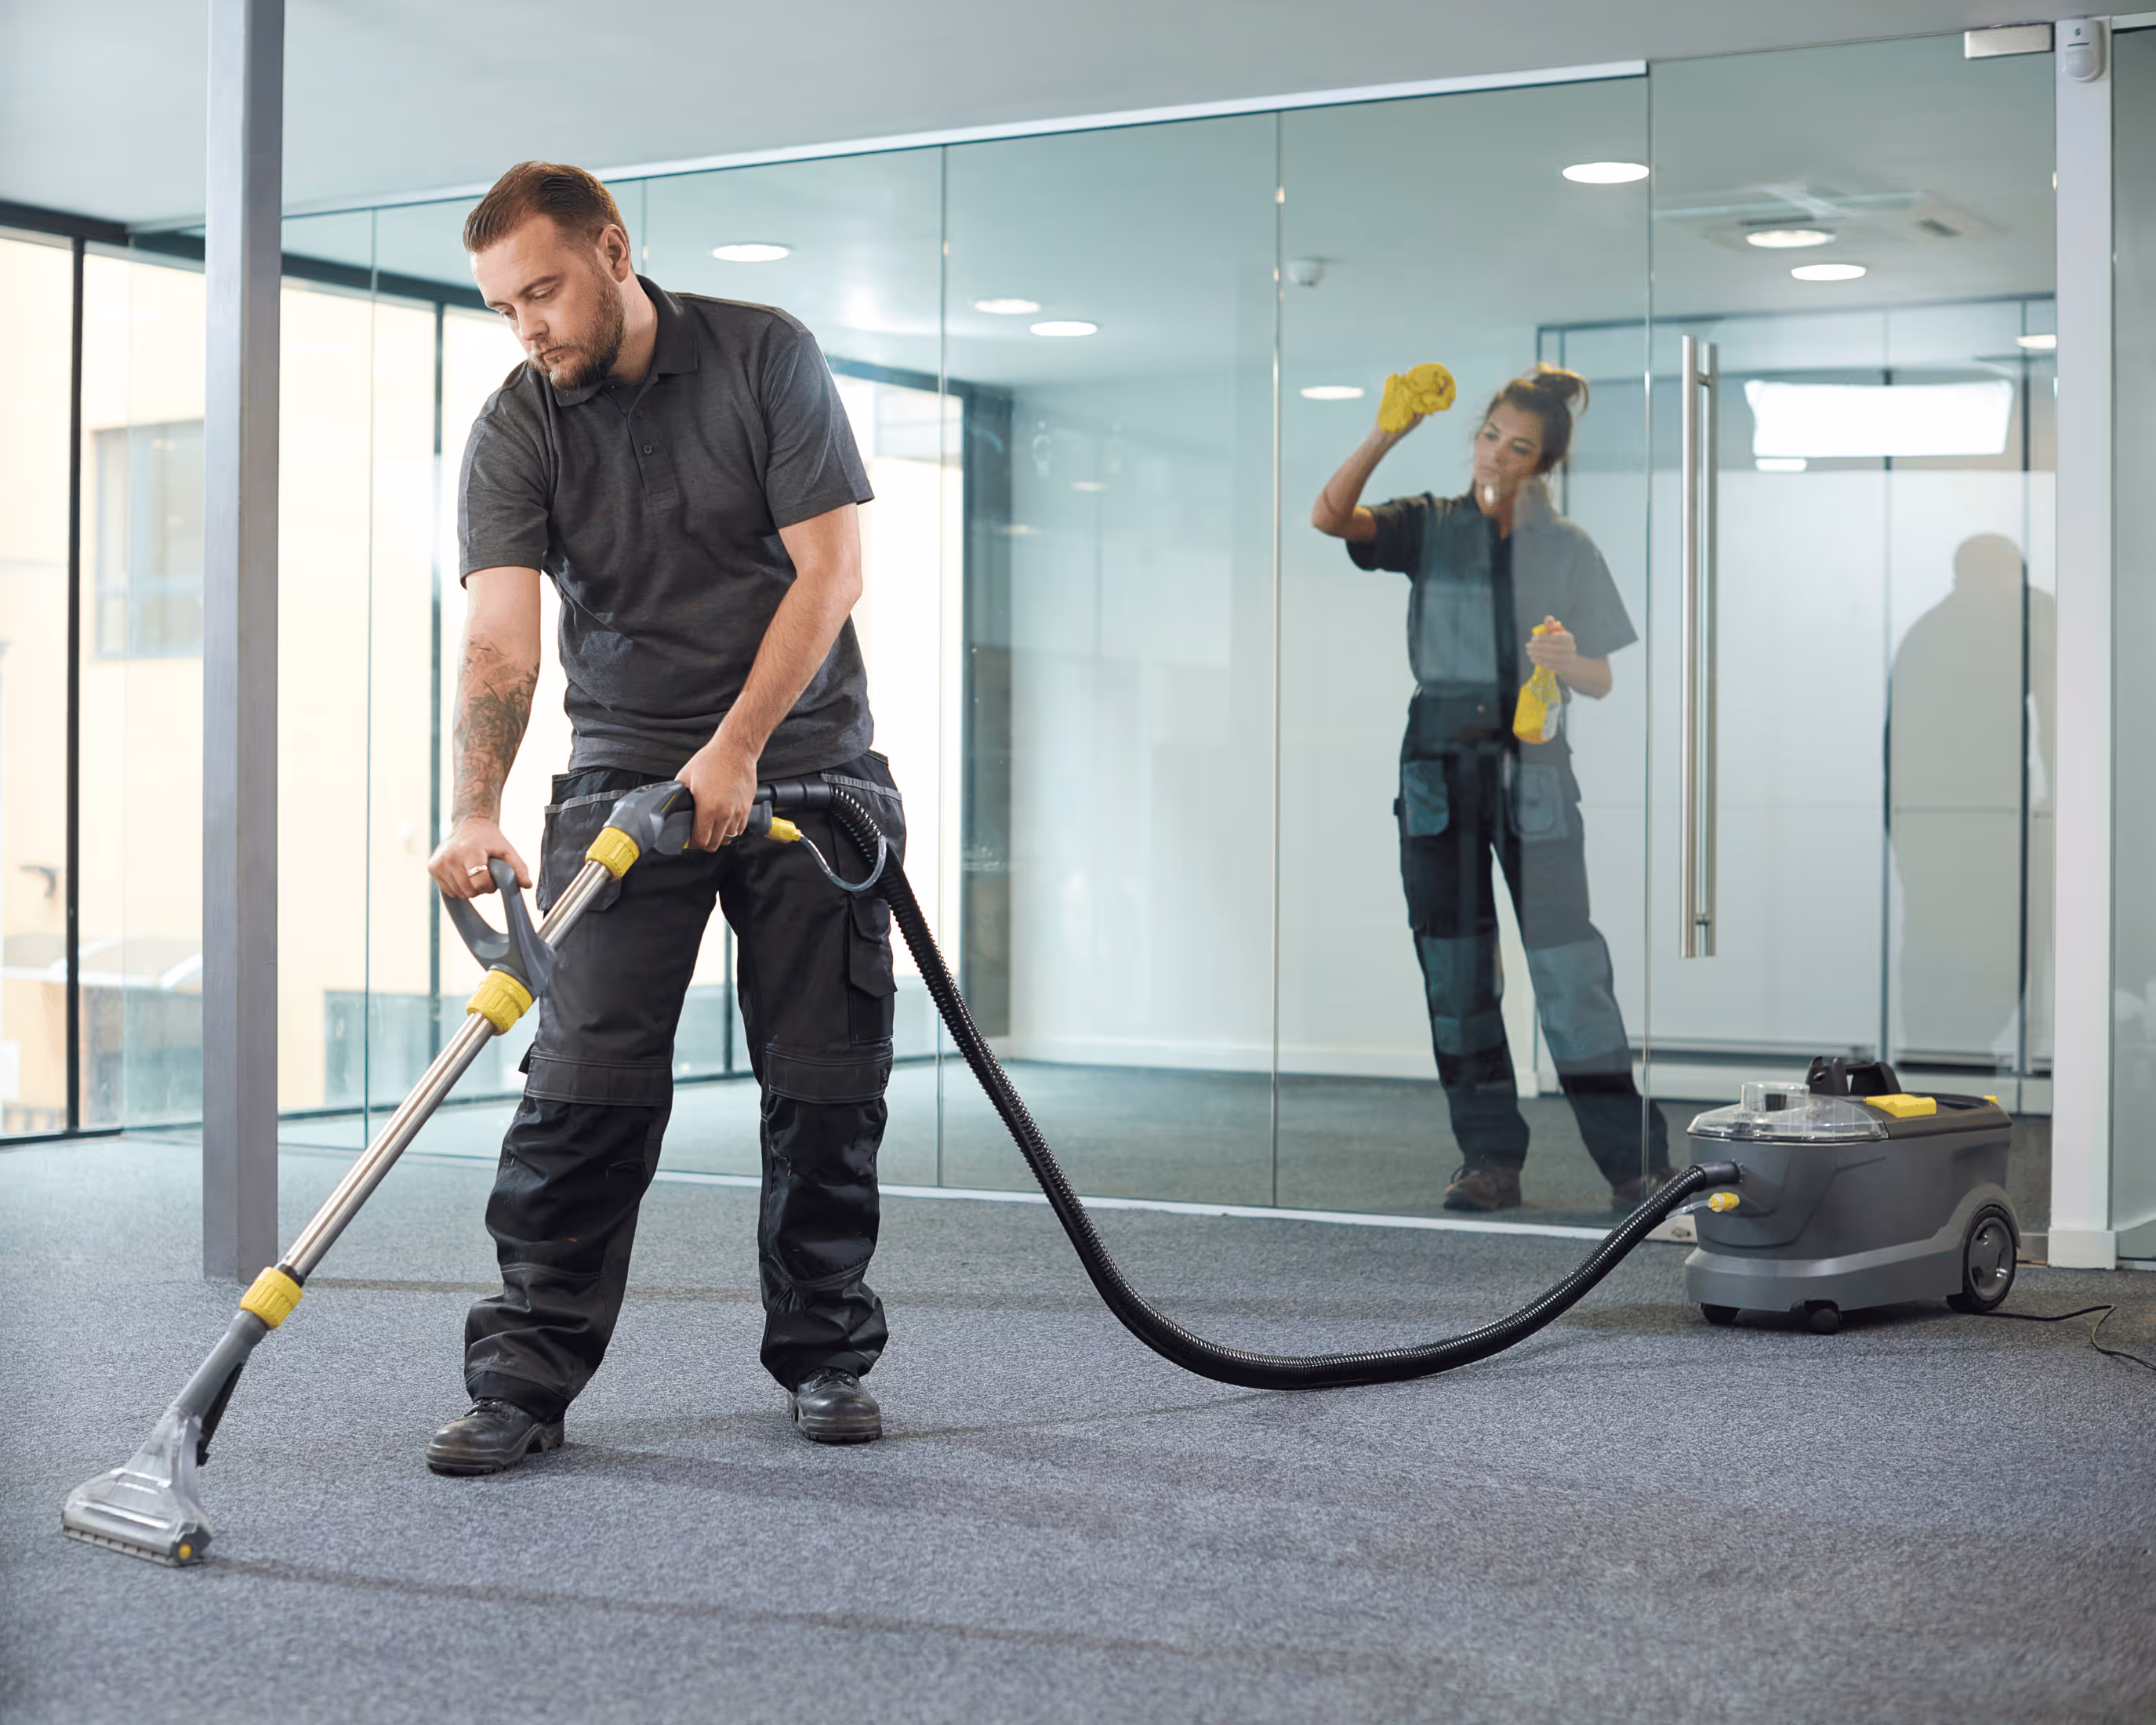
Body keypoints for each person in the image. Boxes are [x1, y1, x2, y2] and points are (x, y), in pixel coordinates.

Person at [421, 162, 906, 1473]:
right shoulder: (520, 422)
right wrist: (475, 805)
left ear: (614, 252)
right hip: (625, 780)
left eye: (544, 290)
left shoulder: (763, 357)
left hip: (807, 769)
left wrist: (738, 749)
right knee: (581, 1085)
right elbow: (502, 637)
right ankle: (524, 1376)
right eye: (503, 305)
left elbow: (834, 569)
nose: (527, 325)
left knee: (825, 1081)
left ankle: (826, 1354)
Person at [1312, 364, 1668, 1213]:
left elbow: (1601, 677)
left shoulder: (1568, 548)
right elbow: (1330, 517)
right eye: (1489, 438)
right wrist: (1386, 429)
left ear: (1542, 463)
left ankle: (1632, 1164)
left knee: (1567, 971)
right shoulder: (1427, 525)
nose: (1498, 457)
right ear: (1473, 437)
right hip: (1435, 761)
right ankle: (1487, 1159)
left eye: (1519, 448)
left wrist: (1562, 661)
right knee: (1455, 968)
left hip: (1531, 763)